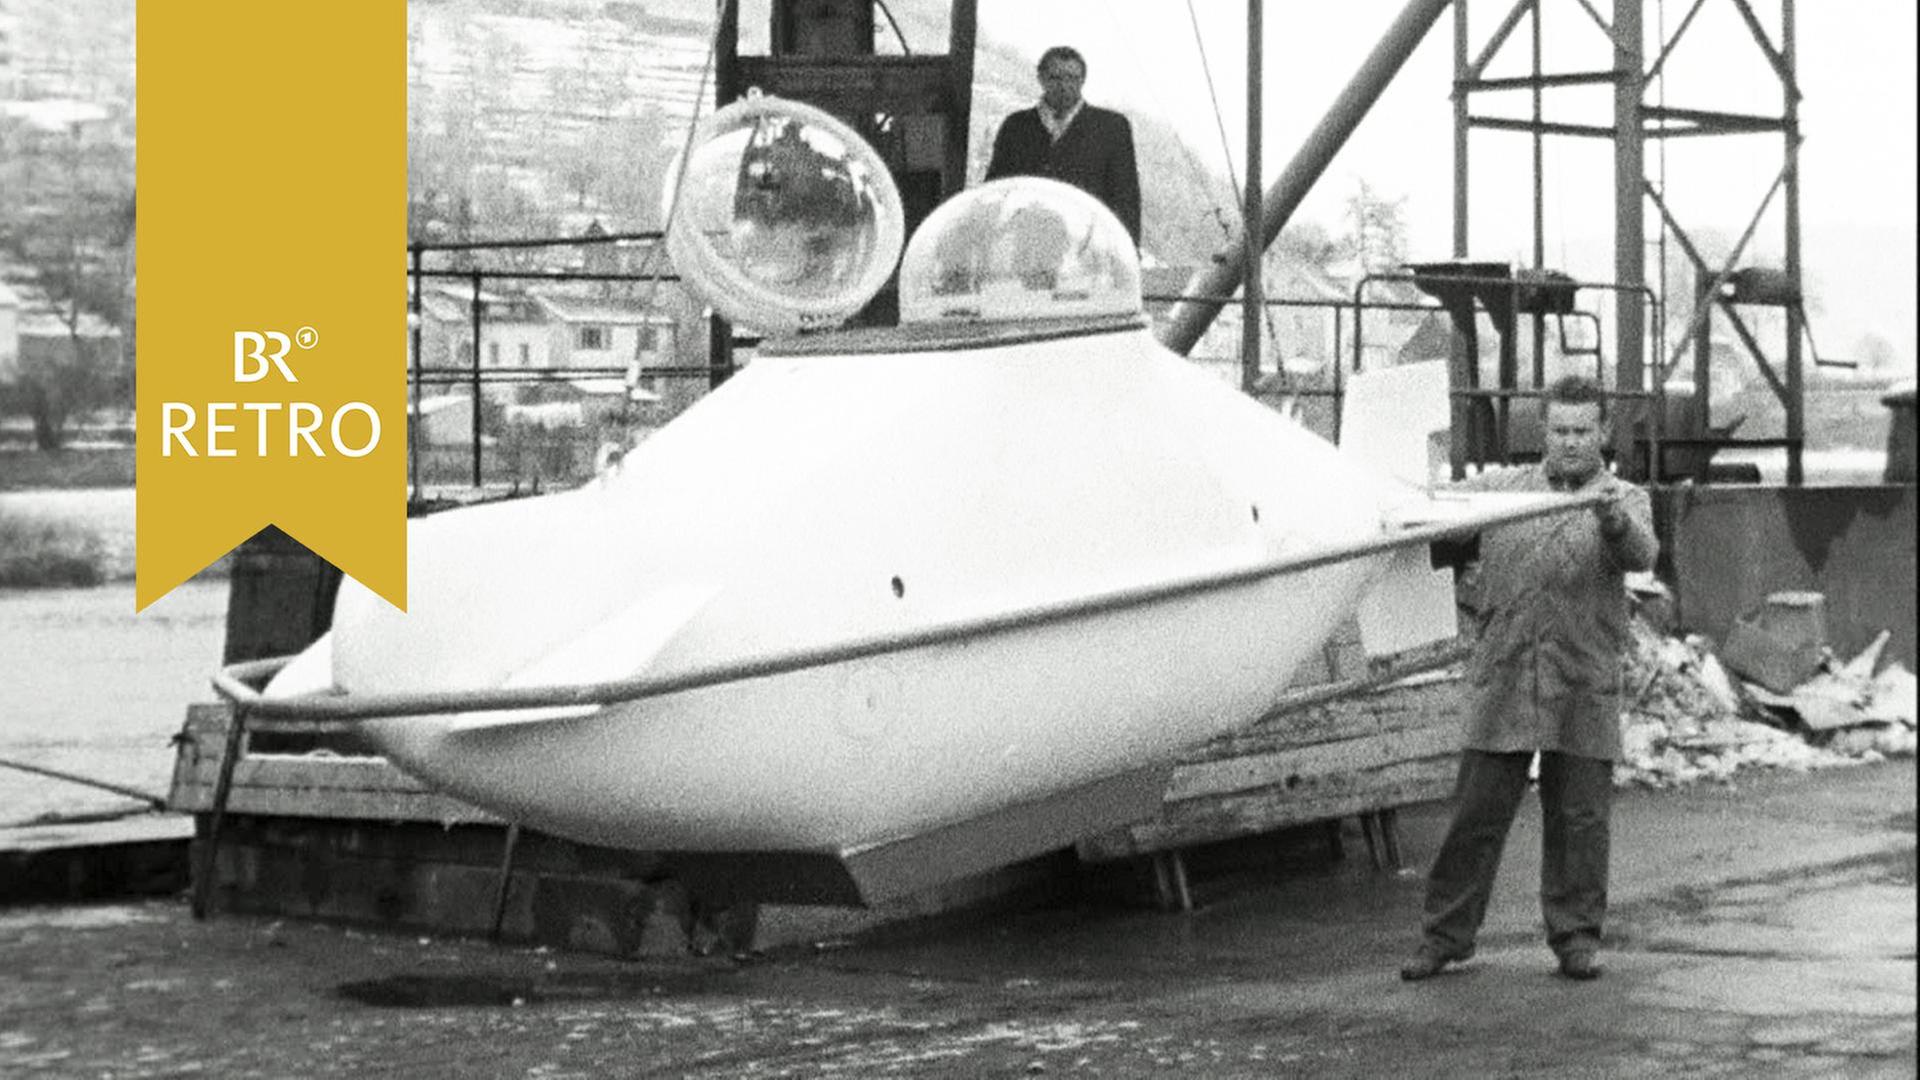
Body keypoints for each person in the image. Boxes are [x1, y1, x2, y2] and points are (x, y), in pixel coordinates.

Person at [1400, 375, 1659, 983]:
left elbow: (1643, 554)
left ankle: (1575, 940)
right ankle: (1443, 938)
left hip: (1582, 681)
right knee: (1475, 817)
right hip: (1506, 676)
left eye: (1582, 431)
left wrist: (1612, 521)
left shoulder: (1624, 497)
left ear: (1603, 433)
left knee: (1581, 820)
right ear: (1543, 432)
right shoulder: (1499, 492)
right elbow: (1433, 515)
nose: (1570, 442)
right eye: (1560, 430)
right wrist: (1413, 497)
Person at [985, 45, 1141, 246]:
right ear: (1041, 79)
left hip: (1087, 248)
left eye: (1072, 78)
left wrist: (1127, 252)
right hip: (1027, 246)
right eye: (1055, 78)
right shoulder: (1016, 126)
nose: (1064, 86)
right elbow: (996, 189)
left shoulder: (1111, 128)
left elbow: (1126, 198)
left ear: (1083, 80)